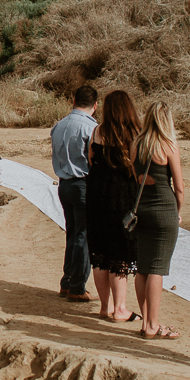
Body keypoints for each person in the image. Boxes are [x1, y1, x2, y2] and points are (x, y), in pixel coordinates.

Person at [85, 90, 140, 321]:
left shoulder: (97, 131)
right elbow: (138, 166)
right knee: (119, 253)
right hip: (122, 197)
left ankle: (105, 306)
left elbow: (90, 159)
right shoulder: (134, 133)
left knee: (99, 253)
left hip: (96, 196)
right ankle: (120, 309)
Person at [132, 101, 184, 340]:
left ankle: (146, 321)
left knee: (143, 267)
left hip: (142, 209)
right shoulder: (168, 145)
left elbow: (136, 178)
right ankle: (152, 324)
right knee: (157, 268)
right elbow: (180, 187)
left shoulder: (136, 145)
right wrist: (178, 210)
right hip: (164, 208)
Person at [50, 86, 98, 302]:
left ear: (73, 99)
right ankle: (77, 286)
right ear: (96, 105)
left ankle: (67, 281)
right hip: (82, 184)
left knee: (72, 232)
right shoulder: (92, 128)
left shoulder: (59, 125)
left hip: (64, 184)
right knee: (83, 235)